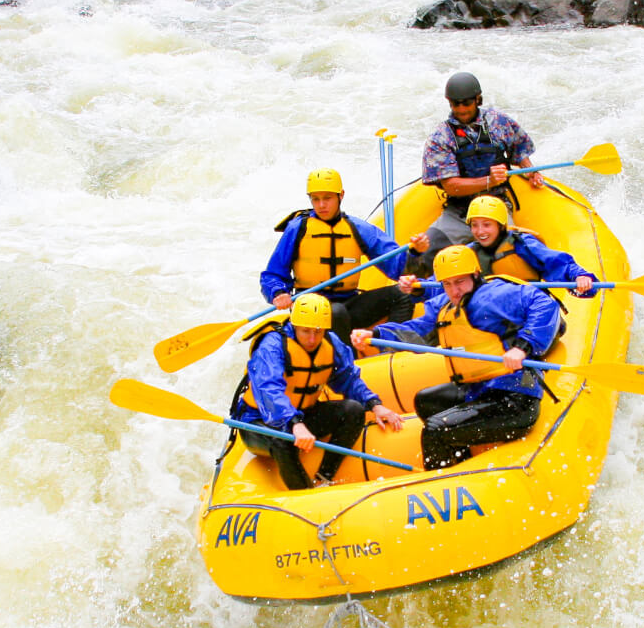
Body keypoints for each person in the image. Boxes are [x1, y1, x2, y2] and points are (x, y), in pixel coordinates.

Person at [351, 245, 562, 471]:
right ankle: (461, 460)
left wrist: (523, 346)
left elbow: (545, 305)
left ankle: (440, 479)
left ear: (475, 275)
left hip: (515, 398)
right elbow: (417, 327)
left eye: (460, 281)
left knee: (434, 429)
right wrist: (376, 334)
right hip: (480, 390)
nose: (454, 290)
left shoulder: (497, 295)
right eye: (448, 284)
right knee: (426, 400)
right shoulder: (445, 304)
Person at [234, 293, 404, 490]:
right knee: (282, 439)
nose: (312, 338)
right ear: (294, 325)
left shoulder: (330, 343)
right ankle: (304, 493)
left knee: (353, 410)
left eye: (318, 331)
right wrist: (294, 423)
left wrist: (375, 405)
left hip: (303, 414)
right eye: (306, 331)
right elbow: (268, 391)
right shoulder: (272, 346)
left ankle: (324, 477)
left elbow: (348, 379)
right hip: (259, 422)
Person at [261, 168, 428, 336]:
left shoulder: (357, 228)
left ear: (340, 195)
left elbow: (397, 267)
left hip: (350, 302)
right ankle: (347, 359)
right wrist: (279, 292)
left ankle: (393, 348)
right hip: (312, 309)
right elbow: (272, 275)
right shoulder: (297, 229)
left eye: (327, 198)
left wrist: (414, 252)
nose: (321, 205)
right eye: (315, 199)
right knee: (336, 312)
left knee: (402, 296)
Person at [417, 71, 548, 266]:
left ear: (478, 99)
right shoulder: (441, 137)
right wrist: (489, 180)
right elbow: (451, 185)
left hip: (496, 208)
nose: (461, 109)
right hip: (459, 212)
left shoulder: (499, 122)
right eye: (455, 103)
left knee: (516, 260)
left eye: (466, 103)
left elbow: (519, 152)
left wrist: (531, 172)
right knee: (423, 259)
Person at [462, 195, 596, 295]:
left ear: (500, 225)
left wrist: (579, 276)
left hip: (530, 306)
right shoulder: (469, 253)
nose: (480, 231)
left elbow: (555, 262)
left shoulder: (521, 243)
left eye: (487, 225)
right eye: (474, 225)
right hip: (496, 313)